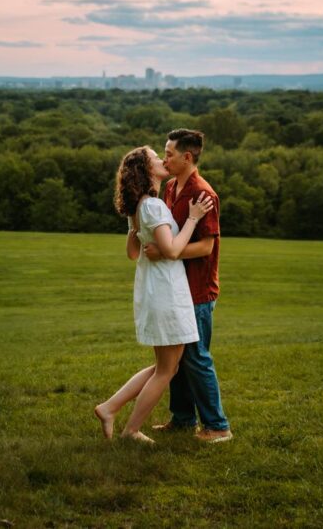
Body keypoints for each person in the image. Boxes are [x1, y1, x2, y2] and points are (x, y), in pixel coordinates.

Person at [94, 146, 213, 444]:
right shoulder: (154, 207)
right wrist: (193, 219)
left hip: (153, 287)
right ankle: (131, 430)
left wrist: (142, 235)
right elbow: (172, 250)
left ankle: (109, 408)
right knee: (167, 369)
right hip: (166, 291)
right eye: (155, 158)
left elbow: (133, 253)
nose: (162, 160)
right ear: (146, 171)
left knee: (165, 365)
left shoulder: (139, 207)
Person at [144, 128, 232, 443]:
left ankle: (218, 427)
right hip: (177, 288)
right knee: (176, 358)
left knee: (195, 357)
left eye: (168, 153)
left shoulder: (203, 193)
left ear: (187, 157)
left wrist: (168, 252)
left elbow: (206, 246)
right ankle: (182, 419)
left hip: (197, 290)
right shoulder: (170, 187)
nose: (164, 157)